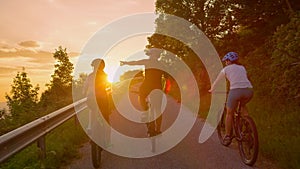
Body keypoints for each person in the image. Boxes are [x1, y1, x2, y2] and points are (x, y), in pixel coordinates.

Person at [209, 52, 253, 146]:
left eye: (226, 61)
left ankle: (228, 136)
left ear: (229, 61)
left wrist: (212, 89)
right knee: (242, 105)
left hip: (235, 91)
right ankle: (248, 125)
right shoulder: (242, 68)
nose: (225, 63)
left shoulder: (226, 69)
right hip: (249, 91)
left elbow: (217, 81)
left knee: (229, 113)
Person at [120, 48, 164, 137]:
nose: (151, 55)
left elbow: (135, 62)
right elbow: (166, 78)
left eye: (151, 54)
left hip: (147, 86)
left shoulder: (147, 62)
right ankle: (158, 130)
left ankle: (145, 111)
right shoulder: (161, 64)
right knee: (158, 110)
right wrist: (165, 89)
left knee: (141, 95)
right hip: (157, 88)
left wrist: (125, 63)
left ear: (151, 55)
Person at [83, 58, 111, 145]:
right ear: (103, 67)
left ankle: (90, 127)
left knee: (92, 111)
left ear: (93, 66)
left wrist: (85, 94)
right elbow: (107, 86)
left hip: (91, 98)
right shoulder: (104, 75)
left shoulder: (90, 76)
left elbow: (84, 90)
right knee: (106, 119)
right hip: (102, 99)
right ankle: (107, 141)